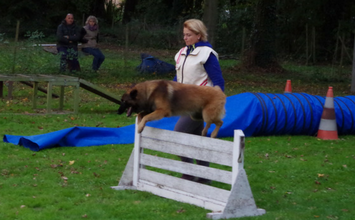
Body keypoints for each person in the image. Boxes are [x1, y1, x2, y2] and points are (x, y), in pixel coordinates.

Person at [173, 19, 225, 184]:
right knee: (198, 138)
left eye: (189, 35)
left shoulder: (207, 54)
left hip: (201, 103)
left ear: (199, 35)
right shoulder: (182, 53)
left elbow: (218, 81)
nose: (185, 38)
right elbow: (178, 78)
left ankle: (188, 173)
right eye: (184, 35)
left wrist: (215, 105)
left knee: (179, 133)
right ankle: (204, 176)